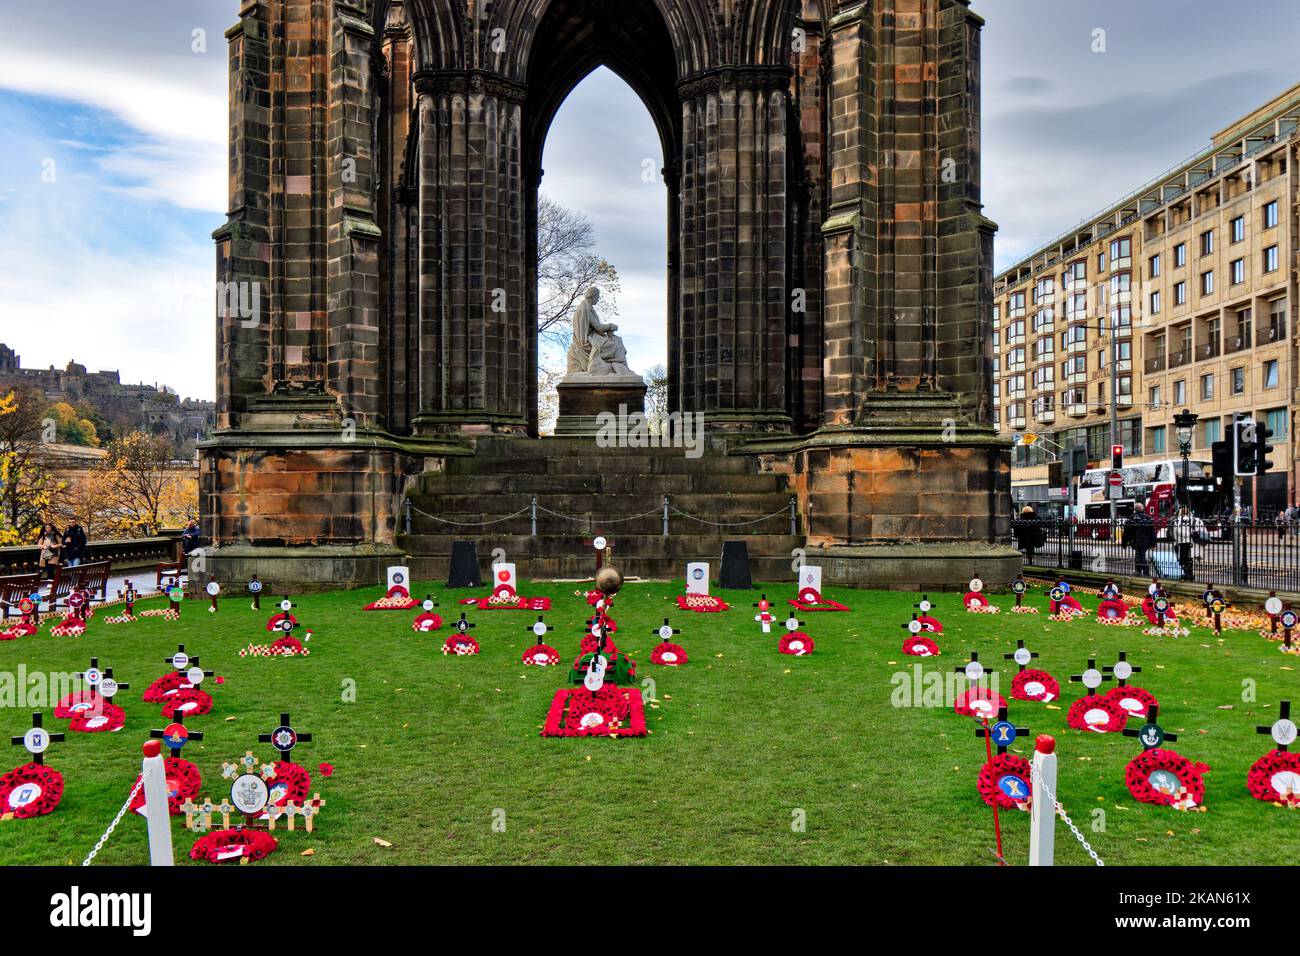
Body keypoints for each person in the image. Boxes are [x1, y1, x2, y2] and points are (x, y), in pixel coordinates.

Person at [1169, 506, 1206, 582]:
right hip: (1193, 543)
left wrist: (1177, 540)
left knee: (1183, 560)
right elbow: (1202, 531)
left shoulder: (1176, 521)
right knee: (1190, 559)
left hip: (1181, 543)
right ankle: (1191, 574)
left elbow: (1175, 534)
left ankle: (1186, 574)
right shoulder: (1197, 520)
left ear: (1180, 512)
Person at [1125, 500, 1157, 577]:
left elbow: (1127, 531)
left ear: (1135, 509)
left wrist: (1127, 541)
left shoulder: (1131, 518)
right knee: (1140, 556)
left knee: (1139, 556)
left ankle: (1141, 572)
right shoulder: (1148, 518)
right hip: (1146, 541)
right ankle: (1141, 572)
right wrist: (1153, 543)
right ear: (1142, 509)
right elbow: (1152, 532)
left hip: (1135, 541)